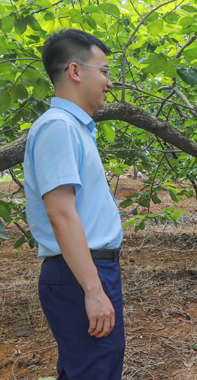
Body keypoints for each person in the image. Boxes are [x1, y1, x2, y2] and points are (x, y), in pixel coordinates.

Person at [23, 29, 124, 379]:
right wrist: (93, 290)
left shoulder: (74, 128)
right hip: (80, 273)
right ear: (76, 71)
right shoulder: (59, 127)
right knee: (96, 370)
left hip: (84, 270)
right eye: (105, 71)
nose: (109, 82)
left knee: (85, 368)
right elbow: (61, 213)